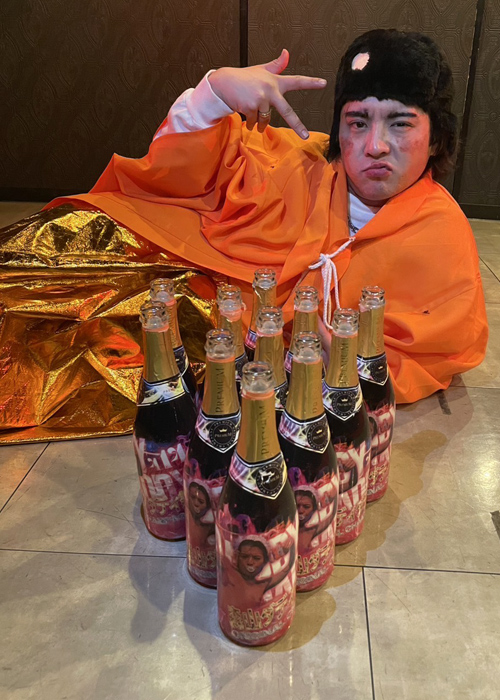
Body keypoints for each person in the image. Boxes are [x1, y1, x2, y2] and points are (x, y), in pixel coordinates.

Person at [1, 30, 488, 441]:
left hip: (211, 341)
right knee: (48, 256)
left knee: (69, 337)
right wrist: (214, 92)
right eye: (357, 122)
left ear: (437, 137)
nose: (374, 146)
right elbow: (185, 175)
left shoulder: (439, 236)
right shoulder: (303, 161)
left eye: (400, 124)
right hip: (164, 262)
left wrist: (340, 359)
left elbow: (430, 351)